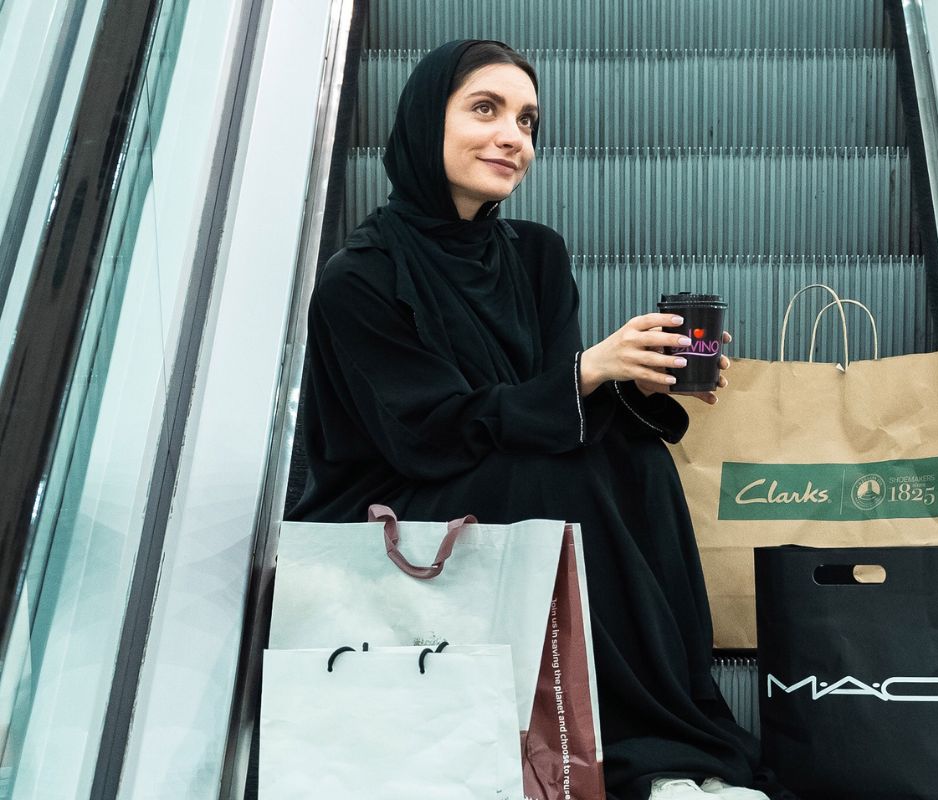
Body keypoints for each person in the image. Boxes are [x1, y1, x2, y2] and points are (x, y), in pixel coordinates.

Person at [289, 39, 787, 800]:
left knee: (635, 458)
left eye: (527, 120)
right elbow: (425, 432)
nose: (512, 137)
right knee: (564, 474)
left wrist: (639, 384)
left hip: (513, 467)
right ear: (428, 122)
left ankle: (680, 740)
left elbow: (555, 405)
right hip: (397, 499)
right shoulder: (359, 278)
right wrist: (586, 371)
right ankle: (636, 755)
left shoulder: (536, 255)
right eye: (485, 110)